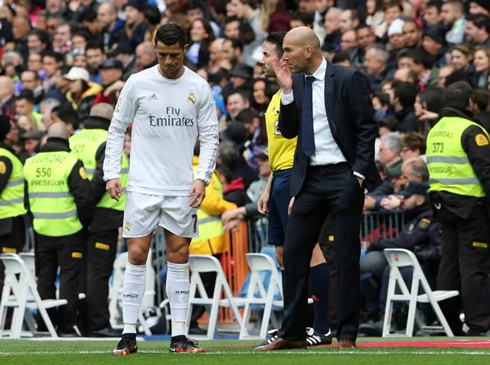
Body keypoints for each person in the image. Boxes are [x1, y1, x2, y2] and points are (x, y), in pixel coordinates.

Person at [255, 27, 380, 351]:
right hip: (308, 178)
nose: (283, 57)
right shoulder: (294, 83)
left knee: (345, 254)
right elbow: (289, 129)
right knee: (294, 253)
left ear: (308, 51)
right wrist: (286, 93)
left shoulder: (347, 78)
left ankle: (347, 334)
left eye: (288, 50)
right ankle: (293, 332)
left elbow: (367, 129)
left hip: (343, 176)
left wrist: (358, 175)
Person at [104, 24, 219, 355]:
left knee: (179, 256)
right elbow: (116, 130)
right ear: (155, 49)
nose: (168, 60)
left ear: (185, 48)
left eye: (173, 54)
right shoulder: (138, 83)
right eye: (161, 54)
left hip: (182, 186)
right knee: (137, 254)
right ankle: (128, 334)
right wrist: (112, 173)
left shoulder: (199, 86)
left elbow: (211, 136)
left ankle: (179, 336)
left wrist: (202, 178)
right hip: (142, 184)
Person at [253, 31, 332, 347]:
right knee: (284, 255)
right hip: (280, 178)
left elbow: (306, 144)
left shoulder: (301, 92)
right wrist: (269, 186)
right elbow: (281, 150)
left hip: (298, 178)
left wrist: (300, 184)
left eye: (266, 54)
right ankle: (295, 325)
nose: (262, 61)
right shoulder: (277, 98)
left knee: (308, 250)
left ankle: (323, 327)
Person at [427, 81, 490, 336]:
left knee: (449, 265)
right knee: (474, 265)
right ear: (471, 103)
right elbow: (485, 171)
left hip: (443, 205)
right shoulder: (471, 130)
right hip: (470, 206)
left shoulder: (436, 129)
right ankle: (479, 323)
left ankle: (449, 322)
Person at [23, 123, 92, 336]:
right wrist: (83, 223)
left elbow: (26, 201)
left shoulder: (30, 163)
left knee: (44, 278)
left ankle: (45, 324)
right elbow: (85, 197)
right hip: (69, 229)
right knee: (68, 279)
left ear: (46, 138)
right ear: (68, 137)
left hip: (42, 230)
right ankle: (67, 325)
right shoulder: (71, 161)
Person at [69, 103, 129, 337]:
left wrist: (81, 209)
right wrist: (88, 207)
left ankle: (80, 321)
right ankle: (98, 324)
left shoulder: (74, 139)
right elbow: (103, 179)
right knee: (98, 272)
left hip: (75, 215)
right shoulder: (109, 141)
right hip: (102, 215)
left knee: (81, 270)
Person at [0, 116, 27, 293]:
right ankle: (7, 320)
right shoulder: (5, 158)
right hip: (7, 226)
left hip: (8, 223)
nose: (16, 131)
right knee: (7, 274)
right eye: (13, 128)